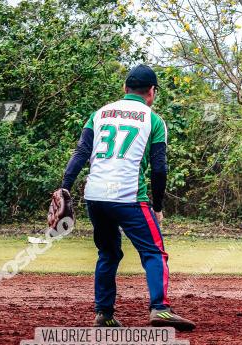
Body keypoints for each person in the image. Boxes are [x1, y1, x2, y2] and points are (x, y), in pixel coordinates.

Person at [58, 64, 195, 330]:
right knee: (155, 252)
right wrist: (157, 206)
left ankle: (104, 313)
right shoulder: (153, 120)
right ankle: (160, 308)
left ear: (125, 89)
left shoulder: (99, 114)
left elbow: (81, 153)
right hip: (128, 196)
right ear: (152, 92)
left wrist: (64, 187)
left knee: (108, 253)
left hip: (95, 196)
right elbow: (159, 168)